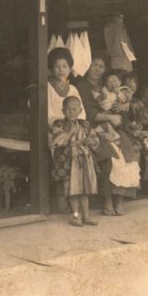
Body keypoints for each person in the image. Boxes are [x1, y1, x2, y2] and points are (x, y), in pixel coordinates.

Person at [76, 57, 139, 216]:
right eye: (94, 65)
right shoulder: (83, 86)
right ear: (88, 66)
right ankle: (108, 199)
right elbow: (88, 113)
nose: (97, 69)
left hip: (115, 128)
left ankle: (120, 199)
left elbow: (121, 109)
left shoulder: (107, 85)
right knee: (110, 156)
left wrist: (123, 107)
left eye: (101, 66)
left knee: (128, 155)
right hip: (93, 128)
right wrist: (110, 117)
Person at [51, 96, 99, 227]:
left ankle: (86, 216)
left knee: (84, 189)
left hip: (84, 160)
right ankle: (76, 216)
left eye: (74, 109)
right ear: (63, 111)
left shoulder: (85, 125)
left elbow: (95, 139)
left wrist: (90, 142)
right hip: (68, 161)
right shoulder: (58, 124)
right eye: (68, 110)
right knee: (72, 190)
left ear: (80, 110)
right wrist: (70, 133)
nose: (71, 112)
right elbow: (58, 141)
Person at [47, 47, 85, 213]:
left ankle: (77, 199)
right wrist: (61, 129)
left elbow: (81, 113)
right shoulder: (47, 88)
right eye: (57, 66)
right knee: (63, 154)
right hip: (55, 129)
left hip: (74, 128)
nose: (61, 69)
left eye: (64, 66)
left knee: (81, 152)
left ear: (70, 69)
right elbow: (47, 115)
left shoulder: (73, 90)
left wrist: (74, 128)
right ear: (51, 69)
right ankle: (61, 198)